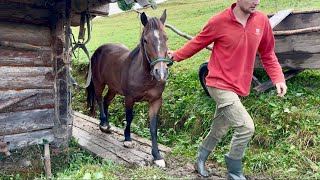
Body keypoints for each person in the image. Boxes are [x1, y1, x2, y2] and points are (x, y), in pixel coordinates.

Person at [167, 0, 287, 179]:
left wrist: (278, 77)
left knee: (220, 128)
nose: (257, 2)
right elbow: (197, 43)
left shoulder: (261, 21)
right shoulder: (219, 21)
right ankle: (234, 172)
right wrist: (175, 56)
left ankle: (200, 158)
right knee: (246, 127)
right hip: (218, 83)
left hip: (238, 85)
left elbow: (268, 53)